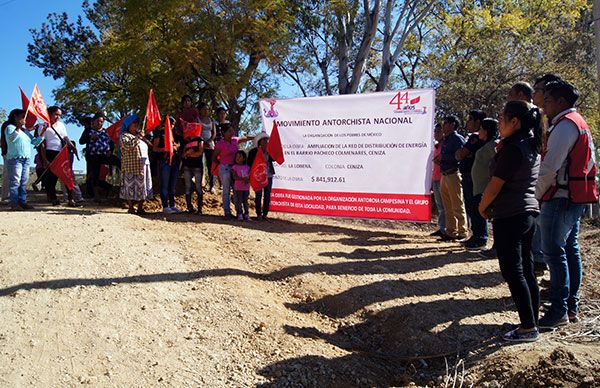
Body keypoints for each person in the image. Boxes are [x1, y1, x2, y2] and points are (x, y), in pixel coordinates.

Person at [535, 81, 597, 328]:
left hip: (561, 197)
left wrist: (535, 195)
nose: (544, 106)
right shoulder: (577, 123)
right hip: (574, 196)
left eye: (547, 101)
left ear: (560, 102)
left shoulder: (565, 126)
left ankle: (559, 309)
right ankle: (570, 306)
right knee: (569, 249)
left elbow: (550, 167)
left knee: (554, 251)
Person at [479, 101, 542, 342]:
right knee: (526, 270)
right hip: (526, 214)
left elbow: (495, 185)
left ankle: (527, 328)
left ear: (515, 122)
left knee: (513, 271)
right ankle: (531, 320)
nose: (500, 123)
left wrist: (483, 207)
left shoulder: (514, 149)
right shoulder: (528, 145)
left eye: (503, 118)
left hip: (510, 215)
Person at [456, 110, 486, 248]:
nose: (467, 123)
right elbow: (460, 155)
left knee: (475, 206)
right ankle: (476, 235)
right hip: (469, 176)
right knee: (471, 207)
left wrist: (462, 153)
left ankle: (480, 237)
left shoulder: (476, 137)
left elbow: (461, 154)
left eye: (470, 120)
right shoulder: (473, 137)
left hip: (474, 177)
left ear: (478, 122)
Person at [436, 115, 468, 240]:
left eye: (446, 123)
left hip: (454, 174)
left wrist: (445, 158)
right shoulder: (446, 140)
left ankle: (462, 231)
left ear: (453, 125)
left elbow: (460, 157)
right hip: (444, 174)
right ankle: (450, 231)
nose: (443, 126)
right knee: (447, 205)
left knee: (457, 204)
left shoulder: (457, 139)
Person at [4, 109, 42, 210]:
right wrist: (18, 127)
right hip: (14, 158)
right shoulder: (9, 127)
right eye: (22, 117)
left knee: (24, 181)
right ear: (15, 117)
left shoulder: (25, 131)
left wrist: (42, 133)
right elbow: (11, 138)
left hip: (26, 158)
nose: (24, 119)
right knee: (15, 181)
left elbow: (34, 142)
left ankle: (22, 202)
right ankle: (14, 203)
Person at [470, 118, 498, 251]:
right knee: (476, 212)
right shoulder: (484, 144)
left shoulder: (493, 145)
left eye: (481, 128)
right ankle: (478, 237)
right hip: (479, 187)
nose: (478, 131)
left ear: (486, 131)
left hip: (486, 187)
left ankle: (483, 239)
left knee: (489, 216)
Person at [212, 123, 252, 217]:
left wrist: (256, 137)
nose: (232, 132)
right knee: (226, 190)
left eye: (232, 130)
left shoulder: (235, 140)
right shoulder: (220, 144)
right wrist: (221, 164)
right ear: (224, 133)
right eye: (229, 131)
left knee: (236, 190)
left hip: (235, 168)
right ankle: (227, 212)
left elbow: (245, 138)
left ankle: (238, 212)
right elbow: (214, 157)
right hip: (225, 168)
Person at [39, 106, 77, 207]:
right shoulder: (42, 126)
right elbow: (41, 143)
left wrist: (72, 146)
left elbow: (65, 137)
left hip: (63, 153)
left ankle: (71, 199)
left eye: (59, 115)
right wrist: (45, 159)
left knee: (67, 176)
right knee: (52, 177)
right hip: (50, 153)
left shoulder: (61, 125)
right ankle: (53, 198)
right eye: (56, 114)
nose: (58, 117)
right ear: (50, 114)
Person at [119, 115, 153, 214]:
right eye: (134, 125)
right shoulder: (124, 136)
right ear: (128, 126)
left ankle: (140, 207)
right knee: (130, 186)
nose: (136, 127)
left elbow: (150, 146)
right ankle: (130, 207)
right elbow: (128, 146)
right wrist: (137, 138)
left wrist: (143, 138)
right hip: (130, 166)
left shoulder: (140, 136)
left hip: (143, 164)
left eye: (137, 125)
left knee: (143, 186)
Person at [86, 112, 120, 203]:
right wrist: (90, 138)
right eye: (97, 121)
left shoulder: (106, 132)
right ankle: (96, 195)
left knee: (118, 161)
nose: (99, 123)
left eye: (101, 121)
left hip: (105, 154)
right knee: (95, 174)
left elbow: (111, 143)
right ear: (93, 122)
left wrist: (110, 151)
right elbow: (81, 141)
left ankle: (123, 184)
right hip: (94, 155)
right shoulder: (89, 131)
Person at [153, 116, 182, 214]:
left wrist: (176, 147)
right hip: (164, 162)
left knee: (172, 185)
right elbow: (154, 148)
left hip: (175, 161)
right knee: (164, 185)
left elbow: (179, 144)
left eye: (173, 124)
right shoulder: (159, 134)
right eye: (170, 123)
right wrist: (165, 149)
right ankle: (165, 206)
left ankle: (172, 205)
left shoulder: (176, 135)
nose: (171, 125)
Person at [248, 132, 276, 221]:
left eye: (266, 140)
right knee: (259, 194)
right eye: (264, 140)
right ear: (259, 142)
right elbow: (249, 163)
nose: (266, 141)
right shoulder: (253, 152)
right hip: (258, 176)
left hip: (268, 175)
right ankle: (259, 214)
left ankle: (265, 214)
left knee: (267, 195)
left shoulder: (270, 151)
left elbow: (275, 158)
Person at [181, 135, 204, 214]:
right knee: (188, 186)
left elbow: (200, 152)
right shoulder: (186, 141)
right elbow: (183, 155)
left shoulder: (199, 139)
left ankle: (200, 209)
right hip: (187, 166)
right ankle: (189, 208)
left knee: (198, 186)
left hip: (197, 166)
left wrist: (189, 154)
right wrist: (188, 153)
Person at [430, 124, 445, 236]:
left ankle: (449, 229)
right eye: (435, 131)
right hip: (435, 178)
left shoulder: (445, 146)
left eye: (439, 131)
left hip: (443, 178)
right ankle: (442, 227)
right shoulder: (435, 146)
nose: (436, 133)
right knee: (440, 206)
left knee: (446, 205)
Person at [198, 102, 217, 193]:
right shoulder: (197, 119)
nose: (206, 111)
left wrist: (209, 141)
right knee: (200, 165)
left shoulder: (211, 120)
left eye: (207, 109)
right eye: (204, 109)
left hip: (210, 144)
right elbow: (196, 131)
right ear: (200, 110)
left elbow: (214, 133)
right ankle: (200, 184)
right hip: (200, 144)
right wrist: (202, 141)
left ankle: (212, 185)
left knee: (211, 165)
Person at [232, 150, 251, 221]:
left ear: (244, 158)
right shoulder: (234, 167)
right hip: (238, 188)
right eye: (236, 156)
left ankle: (246, 214)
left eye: (240, 156)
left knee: (246, 201)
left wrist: (248, 179)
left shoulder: (248, 167)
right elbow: (234, 177)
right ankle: (239, 214)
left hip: (246, 188)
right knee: (239, 201)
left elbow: (250, 176)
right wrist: (243, 179)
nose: (237, 158)